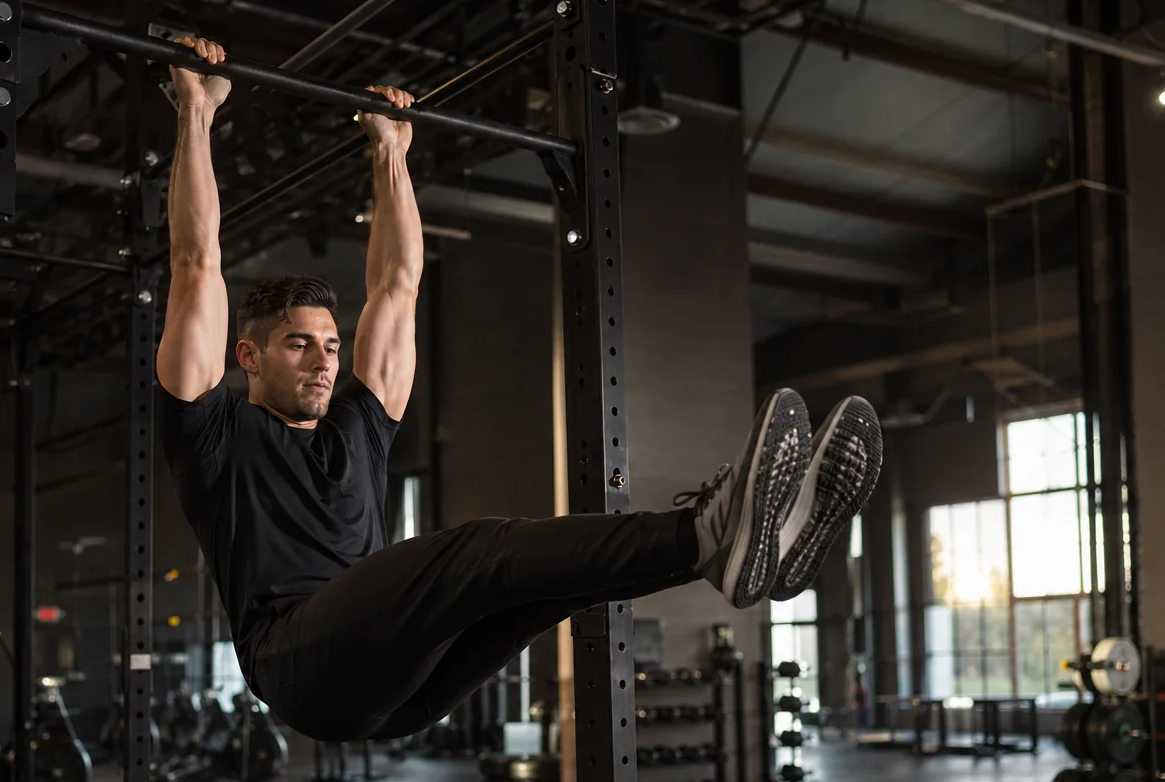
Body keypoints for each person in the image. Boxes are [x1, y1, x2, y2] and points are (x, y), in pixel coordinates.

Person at [155, 38, 884, 742]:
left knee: (539, 591)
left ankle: (724, 548)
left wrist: (392, 153)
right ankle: (706, 529)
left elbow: (398, 287)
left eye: (331, 346)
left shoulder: (358, 427)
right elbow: (195, 263)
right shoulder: (212, 432)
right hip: (300, 668)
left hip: (404, 689)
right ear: (247, 356)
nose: (323, 362)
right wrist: (196, 110)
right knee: (482, 550)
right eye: (297, 344)